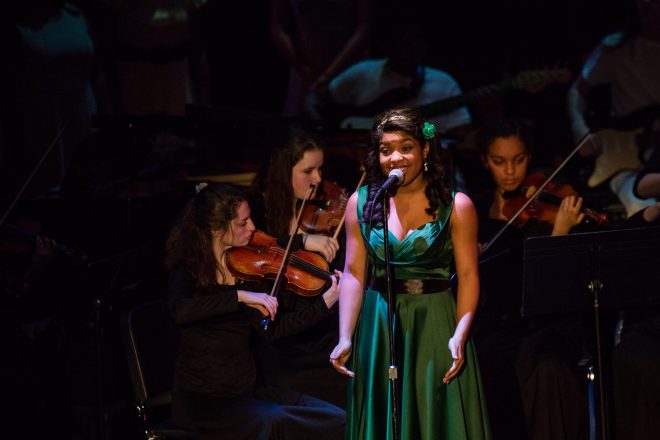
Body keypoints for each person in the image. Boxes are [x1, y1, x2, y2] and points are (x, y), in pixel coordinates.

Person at [329, 106, 491, 439]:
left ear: (425, 149)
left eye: (406, 147)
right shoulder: (361, 203)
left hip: (434, 323)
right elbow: (354, 273)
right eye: (386, 150)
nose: (396, 158)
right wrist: (346, 335)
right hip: (379, 324)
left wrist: (459, 334)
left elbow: (469, 276)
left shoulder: (457, 205)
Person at [164, 182, 345, 439]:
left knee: (335, 419)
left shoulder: (244, 268)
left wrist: (325, 303)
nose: (252, 228)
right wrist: (238, 296)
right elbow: (179, 310)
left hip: (249, 391)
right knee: (274, 423)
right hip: (206, 401)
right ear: (216, 229)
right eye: (243, 223)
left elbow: (273, 330)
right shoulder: (188, 270)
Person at [473, 119, 593, 440]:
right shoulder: (476, 208)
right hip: (496, 323)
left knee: (549, 367)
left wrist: (560, 233)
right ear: (485, 161)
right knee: (490, 359)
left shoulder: (549, 202)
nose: (511, 171)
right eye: (499, 162)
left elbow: (561, 287)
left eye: (519, 159)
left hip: (545, 323)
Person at [247, 127, 347, 407]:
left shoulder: (318, 213)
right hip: (285, 344)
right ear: (282, 171)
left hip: (323, 330)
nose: (319, 179)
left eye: (320, 169)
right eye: (308, 171)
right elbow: (255, 245)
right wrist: (302, 239)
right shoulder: (254, 214)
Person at [566, 0, 660, 218]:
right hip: (626, 161)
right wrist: (579, 127)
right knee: (640, 208)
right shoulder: (616, 46)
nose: (647, 5)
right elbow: (576, 92)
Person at [270, 0, 373, 118]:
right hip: (306, 72)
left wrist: (328, 75)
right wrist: (301, 67)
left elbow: (363, 29)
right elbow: (279, 27)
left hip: (351, 70)